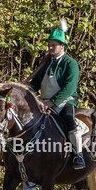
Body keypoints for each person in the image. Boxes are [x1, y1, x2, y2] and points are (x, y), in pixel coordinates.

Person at [27, 19, 85, 169]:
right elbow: (36, 83)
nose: (50, 47)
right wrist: (26, 88)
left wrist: (52, 102)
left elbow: (69, 88)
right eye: (49, 45)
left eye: (53, 45)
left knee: (69, 120)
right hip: (43, 101)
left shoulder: (71, 64)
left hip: (65, 101)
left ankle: (78, 155)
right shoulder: (46, 63)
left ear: (62, 46)